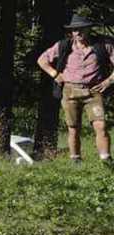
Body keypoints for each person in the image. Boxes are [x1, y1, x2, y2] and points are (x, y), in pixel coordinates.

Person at [36, 14, 114, 163]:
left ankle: (106, 160)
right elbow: (42, 60)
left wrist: (108, 81)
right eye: (74, 30)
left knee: (101, 125)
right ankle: (75, 160)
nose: (77, 33)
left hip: (94, 91)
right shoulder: (64, 46)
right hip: (69, 91)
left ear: (88, 29)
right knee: (73, 127)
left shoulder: (103, 45)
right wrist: (55, 74)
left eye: (80, 29)